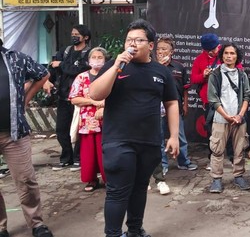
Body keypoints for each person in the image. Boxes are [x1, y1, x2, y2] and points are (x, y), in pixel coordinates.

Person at [89, 19, 179, 237]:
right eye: (129, 40)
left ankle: (135, 231)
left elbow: (171, 103)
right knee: (119, 190)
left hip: (148, 141)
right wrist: (117, 66)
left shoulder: (162, 72)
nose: (133, 43)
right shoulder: (114, 66)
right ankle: (112, 234)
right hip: (118, 141)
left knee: (140, 188)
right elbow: (95, 94)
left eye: (139, 40)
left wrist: (174, 135)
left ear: (150, 45)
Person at [0, 32, 54, 237]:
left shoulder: (16, 58)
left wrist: (25, 99)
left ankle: (37, 224)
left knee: (26, 180)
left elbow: (42, 75)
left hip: (14, 133)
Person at [207, 43, 250, 193]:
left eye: (232, 53)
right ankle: (216, 179)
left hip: (239, 120)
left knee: (239, 149)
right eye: (226, 53)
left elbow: (247, 96)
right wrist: (227, 116)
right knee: (217, 149)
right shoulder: (215, 75)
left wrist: (240, 115)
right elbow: (213, 99)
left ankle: (239, 176)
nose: (229, 56)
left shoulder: (242, 74)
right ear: (221, 56)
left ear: (237, 56)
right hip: (221, 119)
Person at [48, 24, 91, 171]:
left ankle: (79, 159)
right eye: (72, 33)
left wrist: (61, 64)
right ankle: (66, 158)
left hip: (80, 98)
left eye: (77, 34)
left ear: (85, 37)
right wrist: (48, 80)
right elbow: (53, 66)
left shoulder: (89, 53)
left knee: (80, 130)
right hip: (63, 97)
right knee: (61, 130)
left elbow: (79, 70)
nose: (74, 36)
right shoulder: (65, 51)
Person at [68, 47, 108, 192]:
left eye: (100, 57)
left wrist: (103, 105)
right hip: (87, 123)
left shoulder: (108, 75)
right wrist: (94, 102)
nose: (96, 60)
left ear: (105, 60)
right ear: (88, 60)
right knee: (88, 153)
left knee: (105, 152)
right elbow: (74, 99)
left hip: (107, 121)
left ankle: (108, 179)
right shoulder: (81, 77)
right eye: (94, 57)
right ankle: (91, 180)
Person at [156, 37, 197, 174]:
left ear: (171, 51)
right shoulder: (152, 66)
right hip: (157, 108)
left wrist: (185, 104)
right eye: (158, 49)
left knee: (180, 135)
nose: (160, 51)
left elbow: (185, 88)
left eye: (164, 49)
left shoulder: (179, 67)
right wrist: (160, 66)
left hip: (175, 106)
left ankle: (183, 162)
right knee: (159, 136)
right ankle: (163, 165)